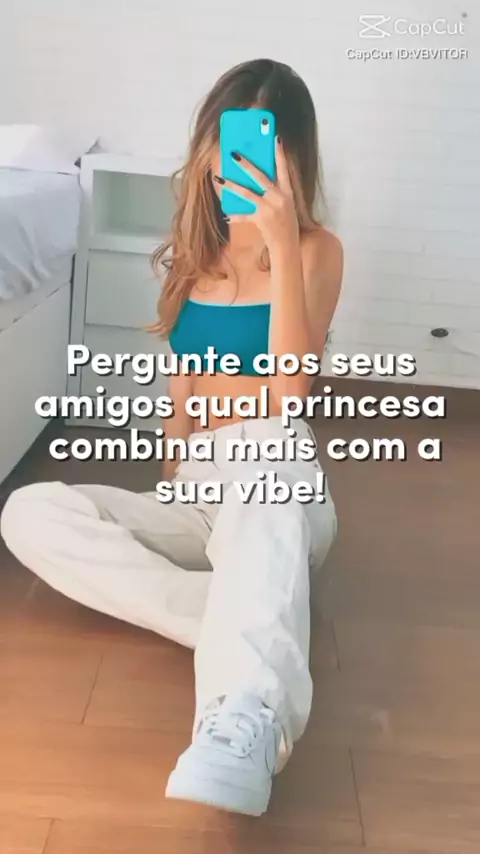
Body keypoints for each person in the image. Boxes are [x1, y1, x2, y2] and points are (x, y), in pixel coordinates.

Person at [0, 58, 343, 817]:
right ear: (208, 147)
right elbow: (182, 389)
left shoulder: (317, 251)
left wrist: (280, 243)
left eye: (262, 148)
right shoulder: (194, 257)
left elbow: (289, 394)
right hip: (199, 491)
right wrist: (174, 474)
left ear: (294, 159)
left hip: (277, 479)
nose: (237, 165)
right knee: (28, 512)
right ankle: (246, 620)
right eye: (227, 144)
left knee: (266, 459)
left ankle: (244, 719)